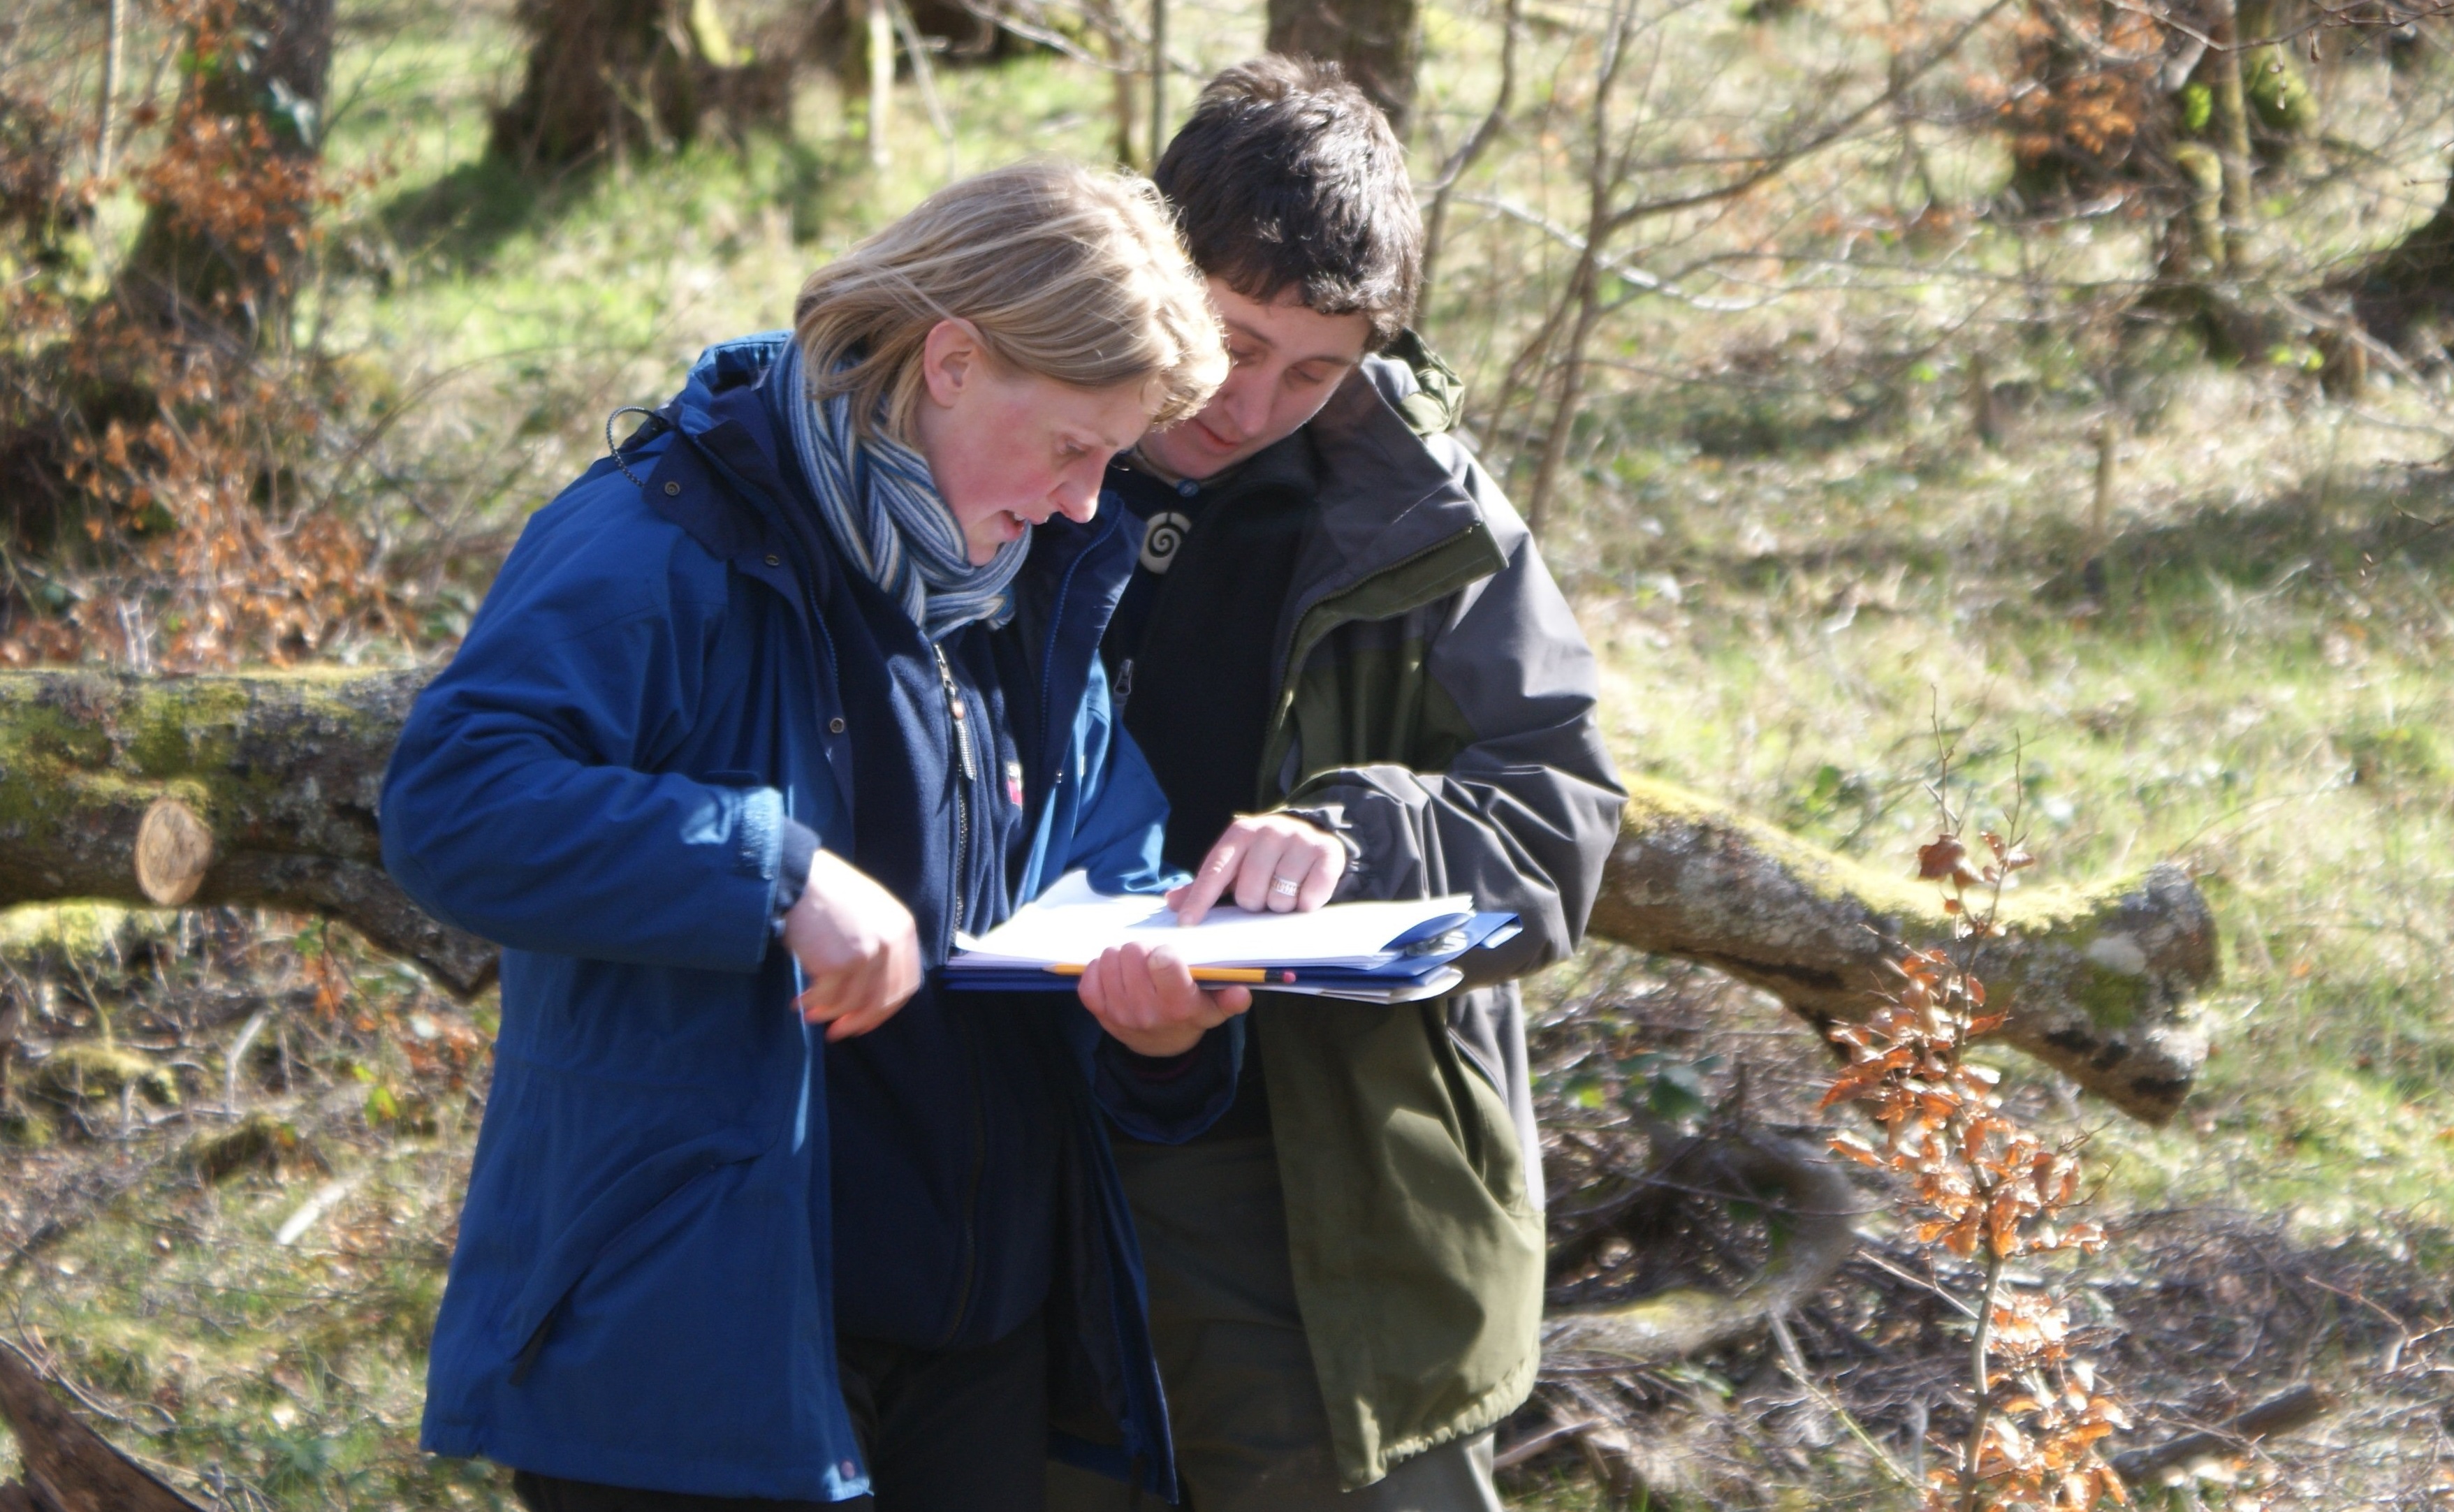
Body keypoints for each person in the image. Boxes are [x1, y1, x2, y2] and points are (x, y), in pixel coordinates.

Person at [382, 161, 1274, 1512]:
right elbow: (452, 804)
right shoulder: (660, 537)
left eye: (1112, 458)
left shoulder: (1030, 584)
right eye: (1073, 447)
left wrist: (1158, 1025)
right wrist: (774, 872)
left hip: (979, 1348)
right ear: (956, 361)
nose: (1091, 501)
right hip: (696, 1360)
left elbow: (1109, 867)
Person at [1042, 60, 1628, 1512]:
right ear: (1147, 266)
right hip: (1004, 1175)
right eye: (1230, 344)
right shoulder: (992, 441)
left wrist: (1359, 834)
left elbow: (1558, 824)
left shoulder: (1417, 517)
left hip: (1325, 1206)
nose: (1251, 404)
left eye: (1314, 370)